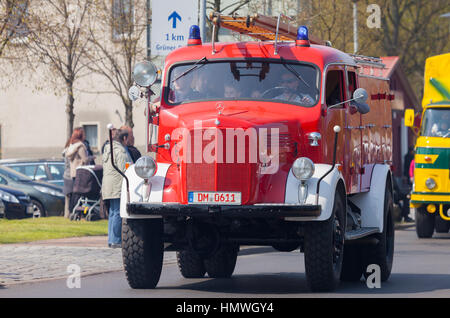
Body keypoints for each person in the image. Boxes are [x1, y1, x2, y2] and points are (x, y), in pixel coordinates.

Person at [102, 129, 132, 248]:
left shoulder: (108, 149)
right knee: (118, 212)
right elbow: (126, 169)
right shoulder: (120, 151)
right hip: (117, 184)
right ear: (124, 139)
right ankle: (116, 240)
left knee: (113, 212)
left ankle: (111, 239)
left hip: (108, 185)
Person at [65, 127, 93, 214]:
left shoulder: (72, 145)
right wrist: (91, 158)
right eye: (84, 133)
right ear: (80, 135)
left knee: (74, 193)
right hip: (80, 172)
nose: (85, 135)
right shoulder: (80, 146)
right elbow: (84, 159)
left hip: (73, 172)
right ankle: (76, 211)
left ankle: (71, 210)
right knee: (78, 193)